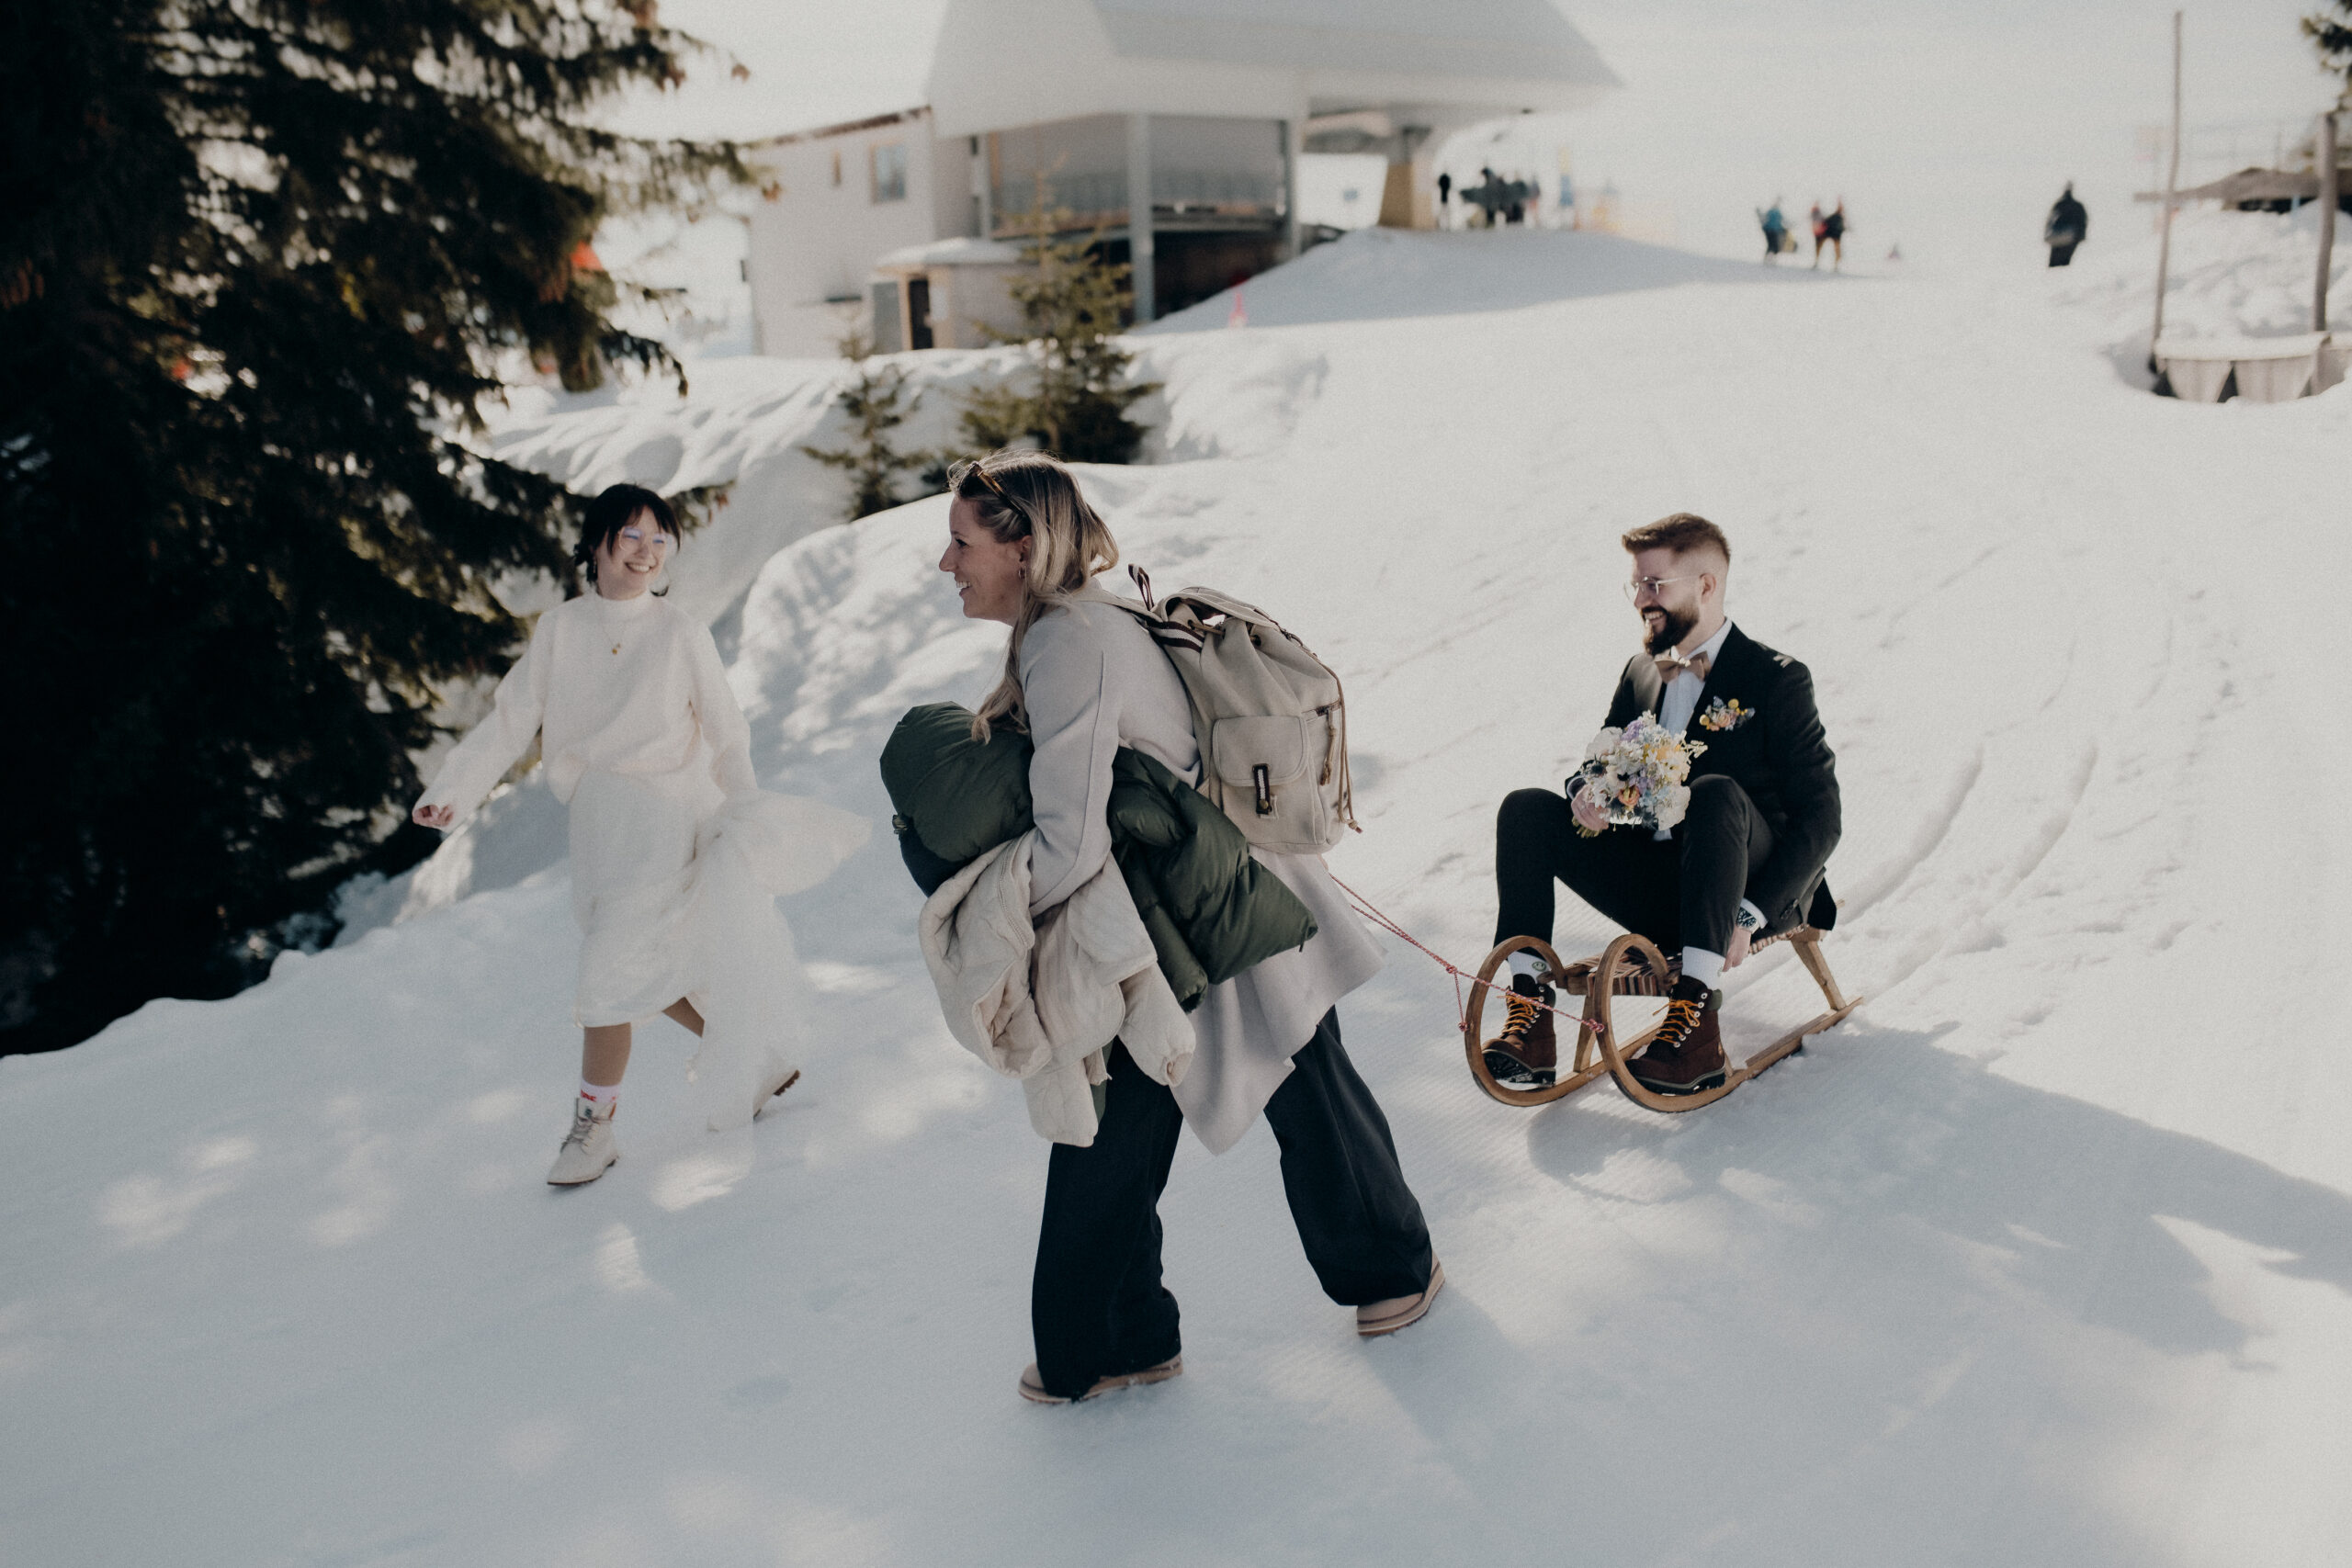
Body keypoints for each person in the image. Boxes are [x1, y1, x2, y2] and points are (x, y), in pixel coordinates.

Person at [935, 451, 1441, 1404]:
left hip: (1197, 913)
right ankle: (1144, 1331)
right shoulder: (1096, 612)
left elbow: (1070, 832)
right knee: (1237, 1094)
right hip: (1205, 901)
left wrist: (996, 918)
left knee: (1134, 1116)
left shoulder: (1065, 641)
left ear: (1022, 545)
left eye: (961, 543)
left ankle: (1118, 1339)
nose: (947, 564)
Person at [413, 484, 862, 1186]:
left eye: (661, 538)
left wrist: (744, 810)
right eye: (632, 535)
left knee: (608, 973)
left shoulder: (681, 632)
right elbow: (510, 717)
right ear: (595, 542)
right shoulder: (560, 630)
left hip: (666, 815)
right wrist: (452, 791)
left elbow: (726, 730)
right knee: (644, 962)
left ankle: (594, 1129)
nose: (648, 551)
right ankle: (751, 1056)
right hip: (596, 822)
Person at [1485, 513, 1841, 1096]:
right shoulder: (1642, 672)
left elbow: (1823, 819)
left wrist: (1749, 912)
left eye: (1655, 584)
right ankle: (1531, 1018)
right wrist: (1585, 794)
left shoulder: (1776, 678)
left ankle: (1695, 1025)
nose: (1641, 600)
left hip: (1748, 893)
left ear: (1705, 584)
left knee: (1716, 790)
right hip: (1662, 889)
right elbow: (1598, 760)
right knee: (1525, 810)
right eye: (1636, 585)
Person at [2044, 183, 2088, 266]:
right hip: (2071, 237)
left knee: (2056, 264)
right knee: (2065, 262)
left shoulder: (2060, 204)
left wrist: (2048, 234)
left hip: (2058, 237)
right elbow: (2083, 222)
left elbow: (2050, 220)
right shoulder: (2077, 206)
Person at [1758, 199, 1788, 263]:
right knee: (1773, 245)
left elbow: (1764, 218)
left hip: (1770, 230)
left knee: (1772, 245)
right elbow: (1782, 221)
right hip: (1772, 231)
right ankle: (1770, 258)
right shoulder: (1774, 212)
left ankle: (1769, 258)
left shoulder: (1773, 212)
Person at [1822, 199, 1847, 271]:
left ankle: (1836, 265)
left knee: (1837, 251)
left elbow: (1843, 227)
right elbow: (1826, 223)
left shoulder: (1841, 217)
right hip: (1832, 235)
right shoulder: (1835, 216)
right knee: (1836, 251)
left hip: (1836, 236)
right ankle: (1835, 265)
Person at [1808, 202, 1827, 268]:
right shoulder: (1818, 213)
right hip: (1819, 233)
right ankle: (1817, 260)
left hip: (1818, 233)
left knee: (1818, 247)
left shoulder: (1814, 214)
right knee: (1818, 247)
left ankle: (1817, 261)